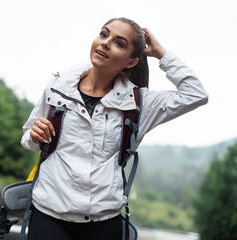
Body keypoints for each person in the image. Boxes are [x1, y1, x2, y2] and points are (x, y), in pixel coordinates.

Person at [21, 17, 208, 240]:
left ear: (131, 62)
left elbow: (196, 94)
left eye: (119, 43)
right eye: (103, 34)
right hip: (48, 215)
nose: (106, 43)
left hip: (103, 223)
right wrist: (34, 134)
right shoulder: (58, 87)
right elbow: (29, 138)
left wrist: (161, 54)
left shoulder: (139, 104)